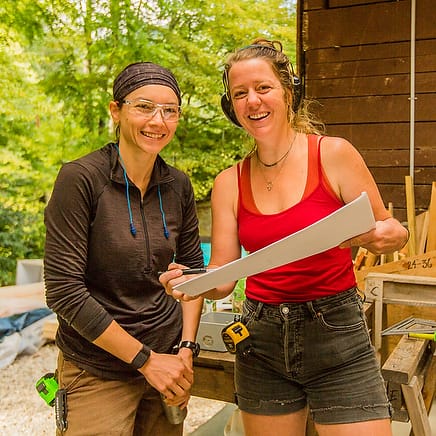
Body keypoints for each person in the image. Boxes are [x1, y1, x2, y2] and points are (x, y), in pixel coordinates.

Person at [160, 39, 409, 436]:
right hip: (261, 340)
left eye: (263, 88)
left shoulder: (334, 154)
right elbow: (224, 277)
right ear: (232, 108)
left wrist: (388, 234)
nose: (252, 101)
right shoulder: (229, 182)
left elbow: (389, 230)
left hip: (338, 334)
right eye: (240, 93)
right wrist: (197, 282)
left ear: (288, 92)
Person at [44, 62, 204, 436]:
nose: (158, 121)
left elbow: (194, 273)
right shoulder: (80, 179)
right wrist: (146, 361)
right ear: (116, 111)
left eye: (170, 110)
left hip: (167, 363)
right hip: (97, 367)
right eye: (144, 106)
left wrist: (185, 350)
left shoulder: (177, 185)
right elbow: (64, 292)